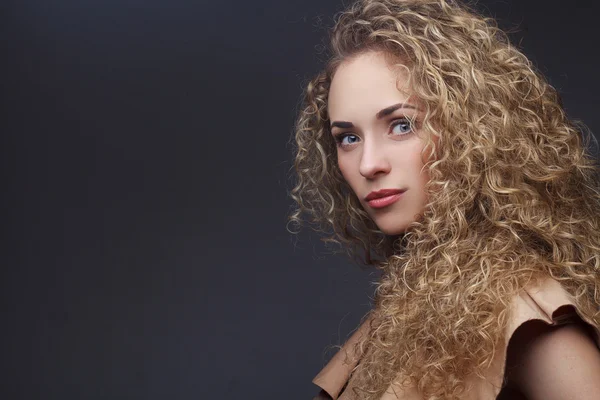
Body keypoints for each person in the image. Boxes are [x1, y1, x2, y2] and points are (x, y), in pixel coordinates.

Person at [288, 0, 600, 399]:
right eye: (348, 137)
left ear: (472, 129)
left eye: (401, 125)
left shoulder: (531, 320)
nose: (368, 164)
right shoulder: (421, 300)